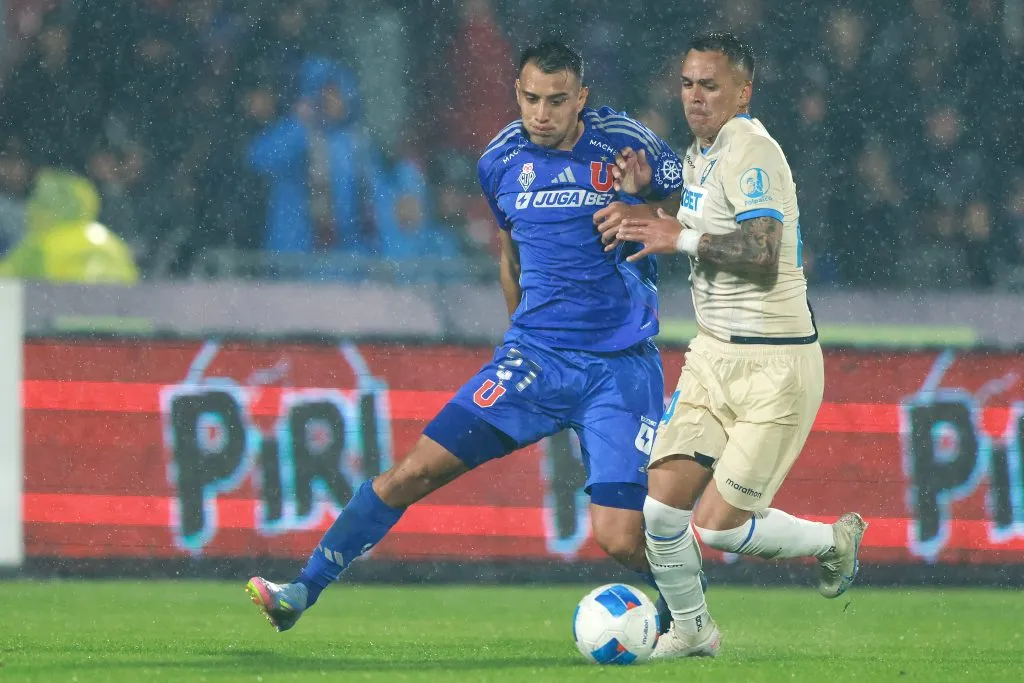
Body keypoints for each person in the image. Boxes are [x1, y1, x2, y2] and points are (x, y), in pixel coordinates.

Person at [245, 39, 685, 632]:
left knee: (621, 538)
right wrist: (519, 338)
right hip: (534, 361)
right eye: (531, 98)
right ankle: (301, 589)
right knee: (413, 472)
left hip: (618, 368)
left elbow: (687, 205)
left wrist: (651, 203)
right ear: (517, 94)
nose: (543, 113)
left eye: (558, 101)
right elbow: (511, 255)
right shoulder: (499, 159)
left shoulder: (627, 141)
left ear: (581, 98)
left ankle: (690, 606)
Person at [600, 32, 868, 658]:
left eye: (710, 85)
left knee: (716, 529)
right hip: (714, 355)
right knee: (661, 514)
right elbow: (698, 220)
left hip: (776, 364)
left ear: (743, 91)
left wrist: (677, 237)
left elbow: (762, 250)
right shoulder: (702, 153)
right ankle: (693, 631)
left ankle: (832, 541)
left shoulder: (752, 151)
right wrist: (655, 200)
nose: (695, 97)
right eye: (689, 84)